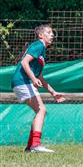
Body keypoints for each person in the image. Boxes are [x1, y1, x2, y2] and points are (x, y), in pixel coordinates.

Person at [11, 24, 65, 153]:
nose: (52, 35)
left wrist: (53, 92)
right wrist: (33, 79)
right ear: (41, 35)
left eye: (52, 33)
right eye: (49, 32)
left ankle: (31, 147)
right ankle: (35, 145)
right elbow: (24, 62)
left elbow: (39, 76)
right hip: (22, 81)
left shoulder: (42, 51)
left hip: (22, 82)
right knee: (41, 110)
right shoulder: (38, 45)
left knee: (40, 111)